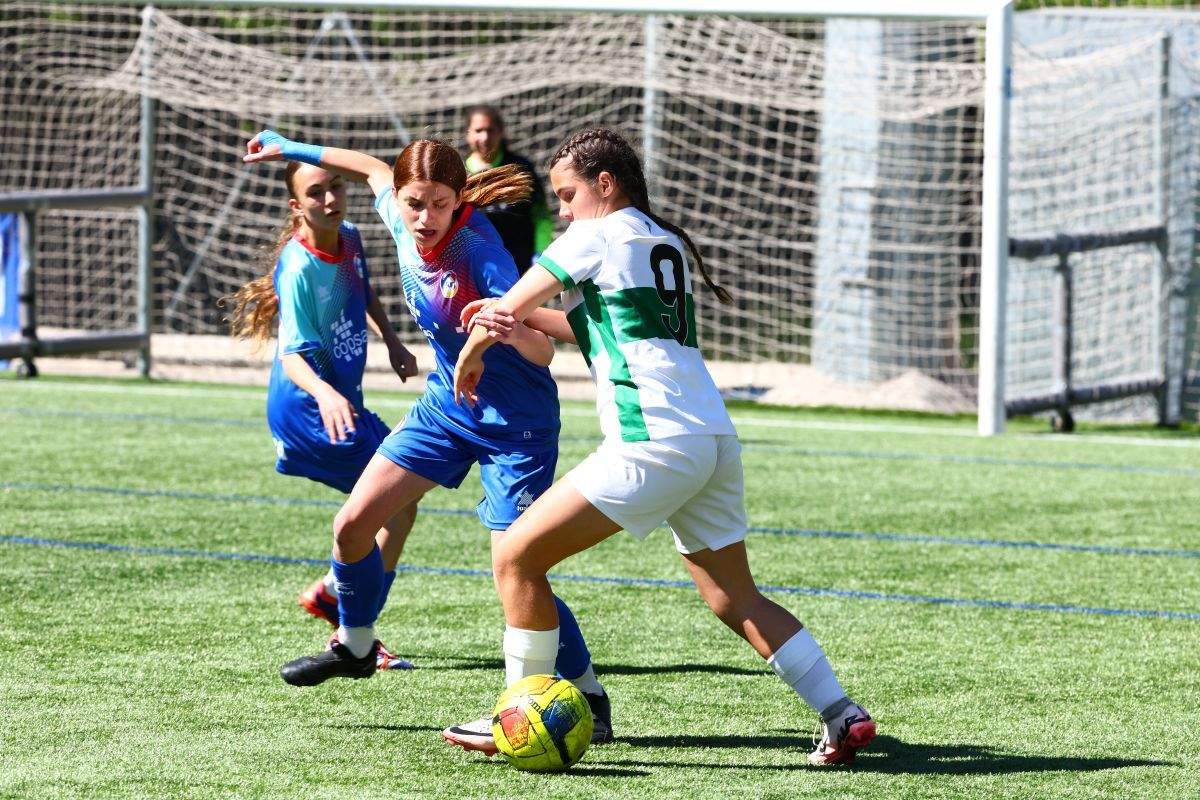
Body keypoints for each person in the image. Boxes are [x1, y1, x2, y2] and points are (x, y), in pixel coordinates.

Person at [451, 128, 875, 767]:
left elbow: (508, 307)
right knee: (734, 597)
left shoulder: (595, 233)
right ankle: (841, 712)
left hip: (652, 440)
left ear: (604, 184)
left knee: (516, 557)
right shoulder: (660, 239)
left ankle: (516, 713)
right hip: (711, 438)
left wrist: (478, 346)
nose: (561, 211)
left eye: (567, 195)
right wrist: (517, 318)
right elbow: (598, 327)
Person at [242, 131, 613, 748]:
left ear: (458, 199)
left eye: (439, 204)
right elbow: (367, 166)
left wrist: (498, 330)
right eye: (414, 203)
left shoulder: (481, 253)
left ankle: (589, 695)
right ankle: (356, 645)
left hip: (516, 425)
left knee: (517, 564)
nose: (424, 217)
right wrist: (288, 146)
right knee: (352, 524)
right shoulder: (397, 211)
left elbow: (542, 350)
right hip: (446, 406)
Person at [224, 159, 418, 672]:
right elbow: (291, 356)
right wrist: (327, 395)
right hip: (310, 412)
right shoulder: (298, 268)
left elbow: (363, 289)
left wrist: (392, 340)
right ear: (296, 206)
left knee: (400, 503)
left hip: (339, 405)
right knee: (392, 505)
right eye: (316, 193)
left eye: (335, 186)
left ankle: (340, 600)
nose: (331, 199)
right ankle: (354, 629)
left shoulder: (349, 236)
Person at [463, 105, 554, 274]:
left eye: (490, 130)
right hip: (474, 269)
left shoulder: (520, 169)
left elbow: (541, 215)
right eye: (478, 130)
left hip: (520, 267)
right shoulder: (460, 173)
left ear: (500, 132)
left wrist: (540, 254)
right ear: (468, 133)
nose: (485, 137)